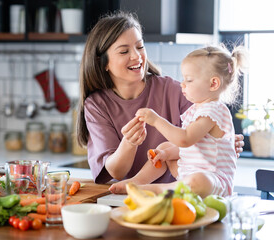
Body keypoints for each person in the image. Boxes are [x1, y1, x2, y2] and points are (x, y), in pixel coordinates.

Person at [76, 11, 244, 186]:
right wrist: (129, 142)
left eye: (140, 47)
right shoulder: (97, 105)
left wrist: (224, 140)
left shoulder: (172, 90)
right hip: (126, 199)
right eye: (124, 51)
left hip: (178, 196)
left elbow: (202, 131)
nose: (136, 56)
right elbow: (116, 172)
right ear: (103, 62)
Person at [109, 45, 248, 198]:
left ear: (213, 84)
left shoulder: (213, 111)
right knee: (164, 147)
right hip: (188, 174)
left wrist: (156, 120)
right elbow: (190, 149)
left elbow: (185, 139)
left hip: (214, 181)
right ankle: (137, 181)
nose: (182, 84)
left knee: (199, 180)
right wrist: (166, 154)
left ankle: (157, 190)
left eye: (189, 80)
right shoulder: (196, 110)